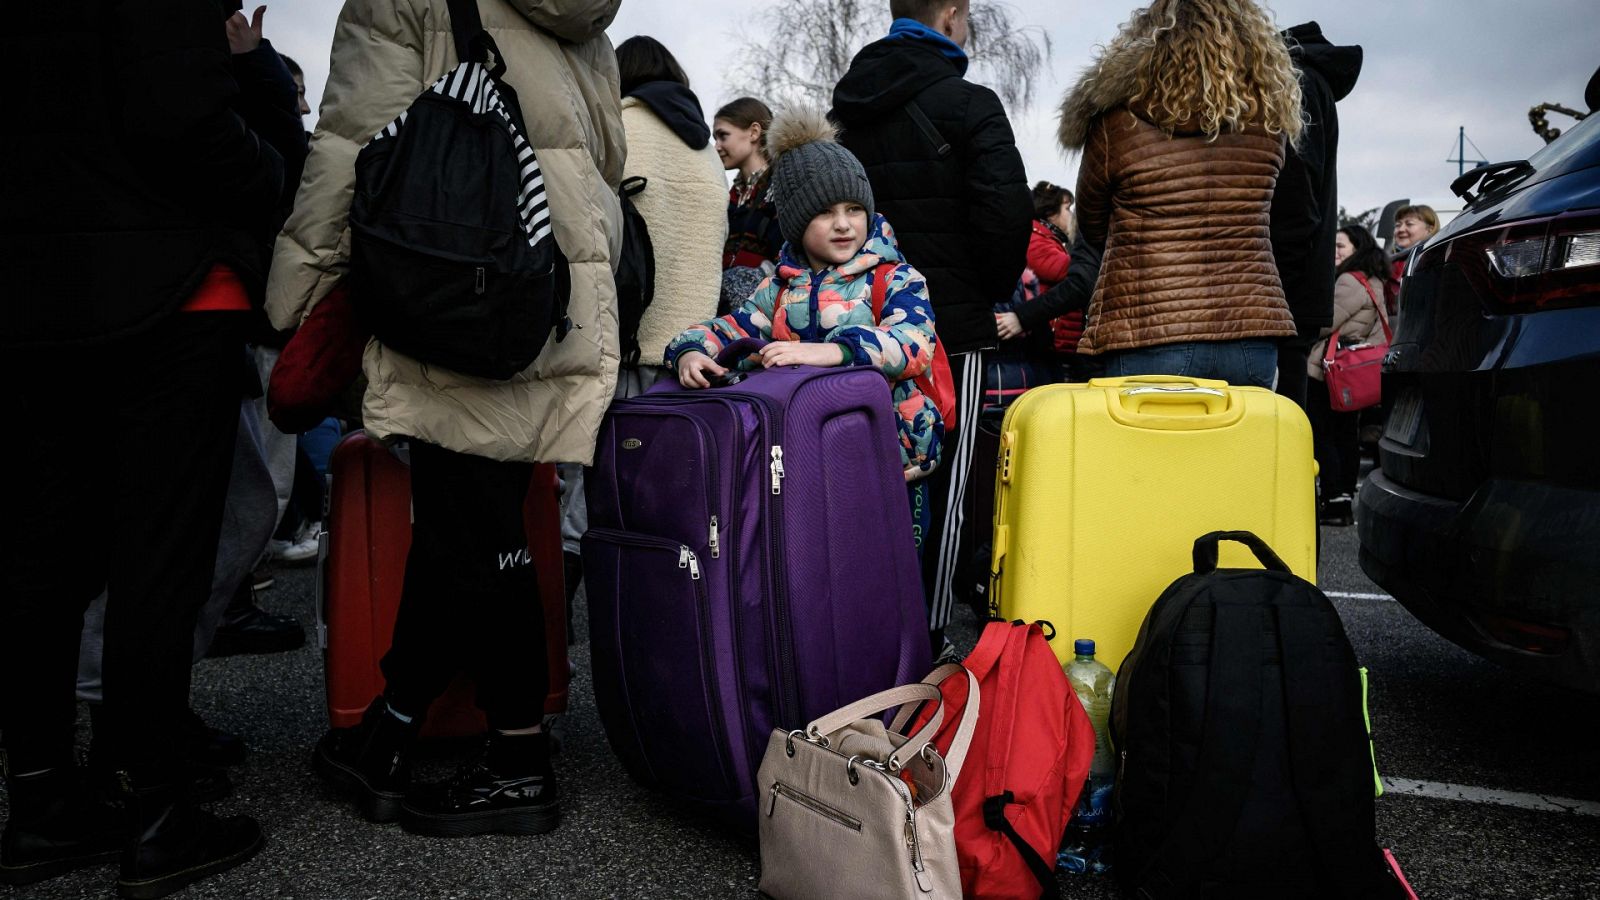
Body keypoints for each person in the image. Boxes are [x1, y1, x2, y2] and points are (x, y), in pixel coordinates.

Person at [266, 0, 625, 838]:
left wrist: (299, 289)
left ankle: (517, 759)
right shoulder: (586, 20)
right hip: (546, 281)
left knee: (474, 518)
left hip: (446, 274)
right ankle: (391, 727)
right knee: (468, 511)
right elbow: (603, 158)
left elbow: (352, 143)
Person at [2, 1, 294, 893]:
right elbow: (181, 117)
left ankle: (43, 800)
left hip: (36, 287)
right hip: (170, 290)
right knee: (157, 560)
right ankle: (158, 812)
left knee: (44, 558)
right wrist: (266, 160)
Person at [831, 0, 1033, 658]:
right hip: (953, 325)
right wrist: (988, 293)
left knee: (865, 474)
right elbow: (1006, 217)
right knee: (947, 483)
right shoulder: (969, 104)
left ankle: (857, 625)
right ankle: (929, 638)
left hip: (862, 324)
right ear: (950, 13)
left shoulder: (852, 107)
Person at [666, 108, 943, 545]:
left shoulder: (894, 277)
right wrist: (689, 350)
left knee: (889, 576)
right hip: (807, 460)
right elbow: (728, 328)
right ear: (796, 222)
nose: (843, 223)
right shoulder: (777, 288)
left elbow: (913, 343)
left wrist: (835, 350)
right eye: (824, 212)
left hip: (892, 461)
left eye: (854, 208)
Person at [558, 35, 727, 621]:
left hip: (623, 342)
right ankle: (661, 628)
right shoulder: (705, 148)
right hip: (692, 352)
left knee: (586, 497)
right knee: (667, 501)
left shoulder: (618, 131)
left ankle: (555, 633)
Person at [1058, 0, 1301, 387]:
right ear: (1250, 44)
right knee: (1242, 449)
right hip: (1250, 329)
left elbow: (1092, 224)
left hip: (1147, 330)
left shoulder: (1115, 124)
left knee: (1149, 449)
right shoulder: (1269, 125)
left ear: (1146, 46)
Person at [1269, 22, 1363, 409]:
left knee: (1277, 419)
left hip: (1284, 291)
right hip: (1300, 287)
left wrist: (1271, 283)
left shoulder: (1298, 83)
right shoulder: (1314, 82)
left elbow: (1294, 191)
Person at [1307, 225, 1390, 526]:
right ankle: (1342, 497)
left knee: (1322, 433)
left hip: (1327, 370)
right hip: (1350, 373)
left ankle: (1334, 499)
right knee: (1345, 434)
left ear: (1358, 248)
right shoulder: (1373, 279)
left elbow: (1325, 320)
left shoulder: (1348, 280)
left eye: (1340, 246)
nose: (1335, 252)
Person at [717, 97, 784, 276]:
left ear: (754, 132)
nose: (716, 146)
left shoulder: (780, 189)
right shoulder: (730, 196)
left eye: (723, 136)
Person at [1385, 203, 1438, 314]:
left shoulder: (1435, 260)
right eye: (1398, 225)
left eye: (1409, 224)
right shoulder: (1389, 262)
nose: (1401, 229)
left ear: (1430, 229)